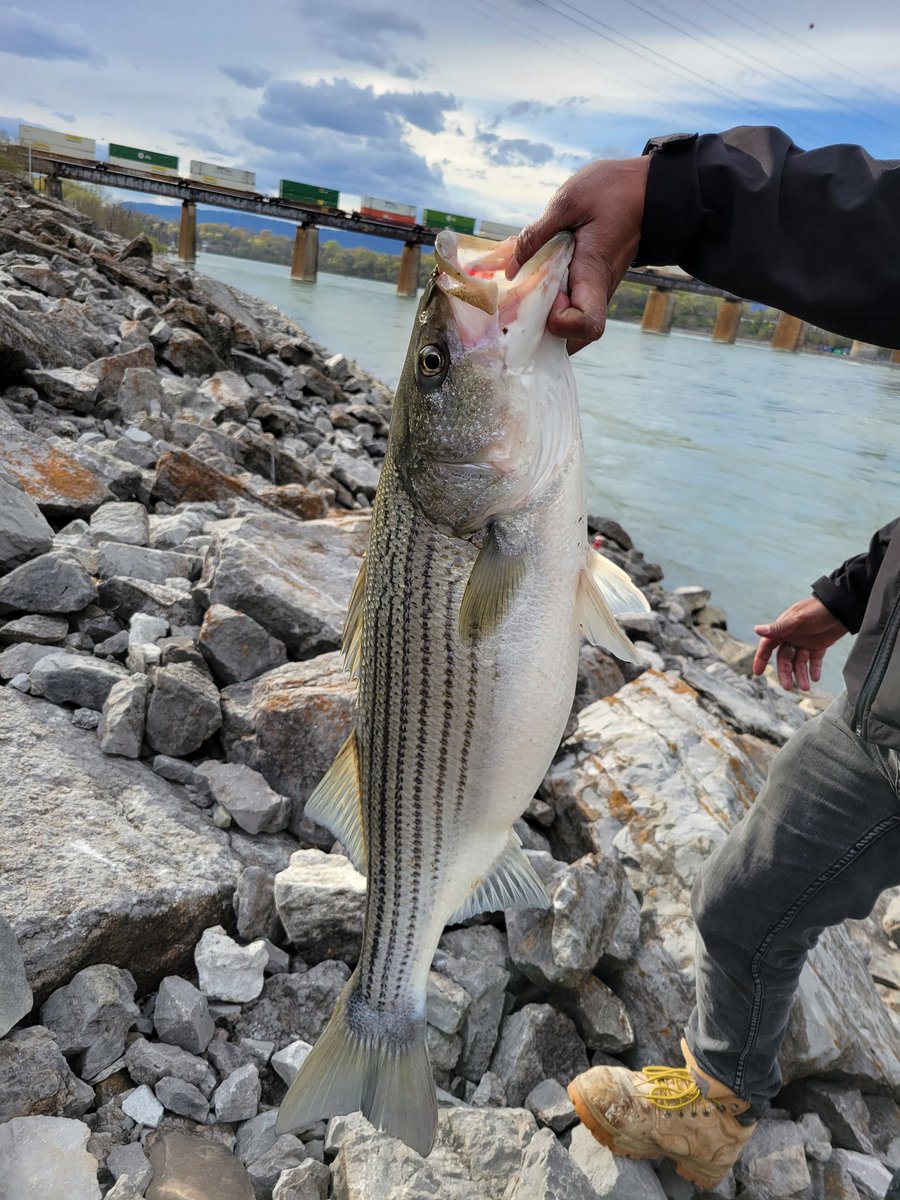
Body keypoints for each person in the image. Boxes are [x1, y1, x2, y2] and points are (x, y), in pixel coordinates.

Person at [508, 127, 900, 1190]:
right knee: (744, 901)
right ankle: (723, 1099)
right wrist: (852, 595)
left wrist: (673, 193)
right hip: (885, 716)